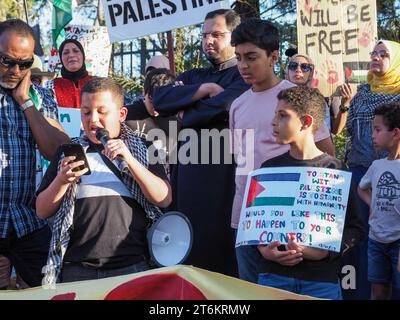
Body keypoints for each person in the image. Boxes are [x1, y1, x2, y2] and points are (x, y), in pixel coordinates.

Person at [36, 78, 172, 284]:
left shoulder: (143, 147)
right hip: (79, 268)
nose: (93, 120)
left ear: (121, 114)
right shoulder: (68, 151)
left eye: (102, 111)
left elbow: (164, 198)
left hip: (132, 264)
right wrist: (62, 181)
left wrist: (130, 159)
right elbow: (41, 210)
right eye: (86, 112)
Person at [229, 18, 333, 283]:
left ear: (273, 56)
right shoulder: (237, 105)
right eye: (239, 57)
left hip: (292, 222)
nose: (243, 65)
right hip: (246, 221)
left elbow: (327, 158)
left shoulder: (298, 99)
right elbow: (241, 163)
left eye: (251, 57)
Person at [152, 9, 250, 277]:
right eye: (205, 34)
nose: (208, 40)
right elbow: (161, 99)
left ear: (234, 37)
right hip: (188, 182)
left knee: (222, 260)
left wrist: (187, 109)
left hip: (224, 181)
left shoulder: (242, 77)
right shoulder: (195, 75)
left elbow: (226, 105)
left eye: (217, 34)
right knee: (189, 259)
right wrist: (205, 91)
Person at [255, 86, 365, 299]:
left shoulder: (336, 171)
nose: (273, 122)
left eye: (282, 115)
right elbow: (253, 223)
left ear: (306, 122)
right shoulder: (267, 169)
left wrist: (325, 252)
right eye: (275, 114)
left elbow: (355, 228)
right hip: (273, 278)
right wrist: (264, 250)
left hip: (321, 282)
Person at [0, 19, 69, 288]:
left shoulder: (40, 97)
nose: (15, 70)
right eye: (7, 61)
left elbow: (56, 150)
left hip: (28, 222)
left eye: (25, 64)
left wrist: (26, 101)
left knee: (52, 290)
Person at [336, 39, 400, 300]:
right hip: (359, 172)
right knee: (359, 237)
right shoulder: (361, 91)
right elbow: (342, 130)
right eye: (374, 52)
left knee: (390, 239)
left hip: (391, 174)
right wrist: (344, 104)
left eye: (384, 53)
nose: (376, 57)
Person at [358, 102, 400, 300]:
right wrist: (373, 203)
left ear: (396, 132)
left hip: (398, 241)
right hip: (376, 240)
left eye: (377, 129)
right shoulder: (377, 165)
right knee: (378, 290)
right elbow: (362, 188)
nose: (372, 135)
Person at [46, 39, 93, 109]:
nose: (71, 55)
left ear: (83, 56)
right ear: (61, 59)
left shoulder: (97, 83)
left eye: (76, 51)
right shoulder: (50, 86)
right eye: (66, 53)